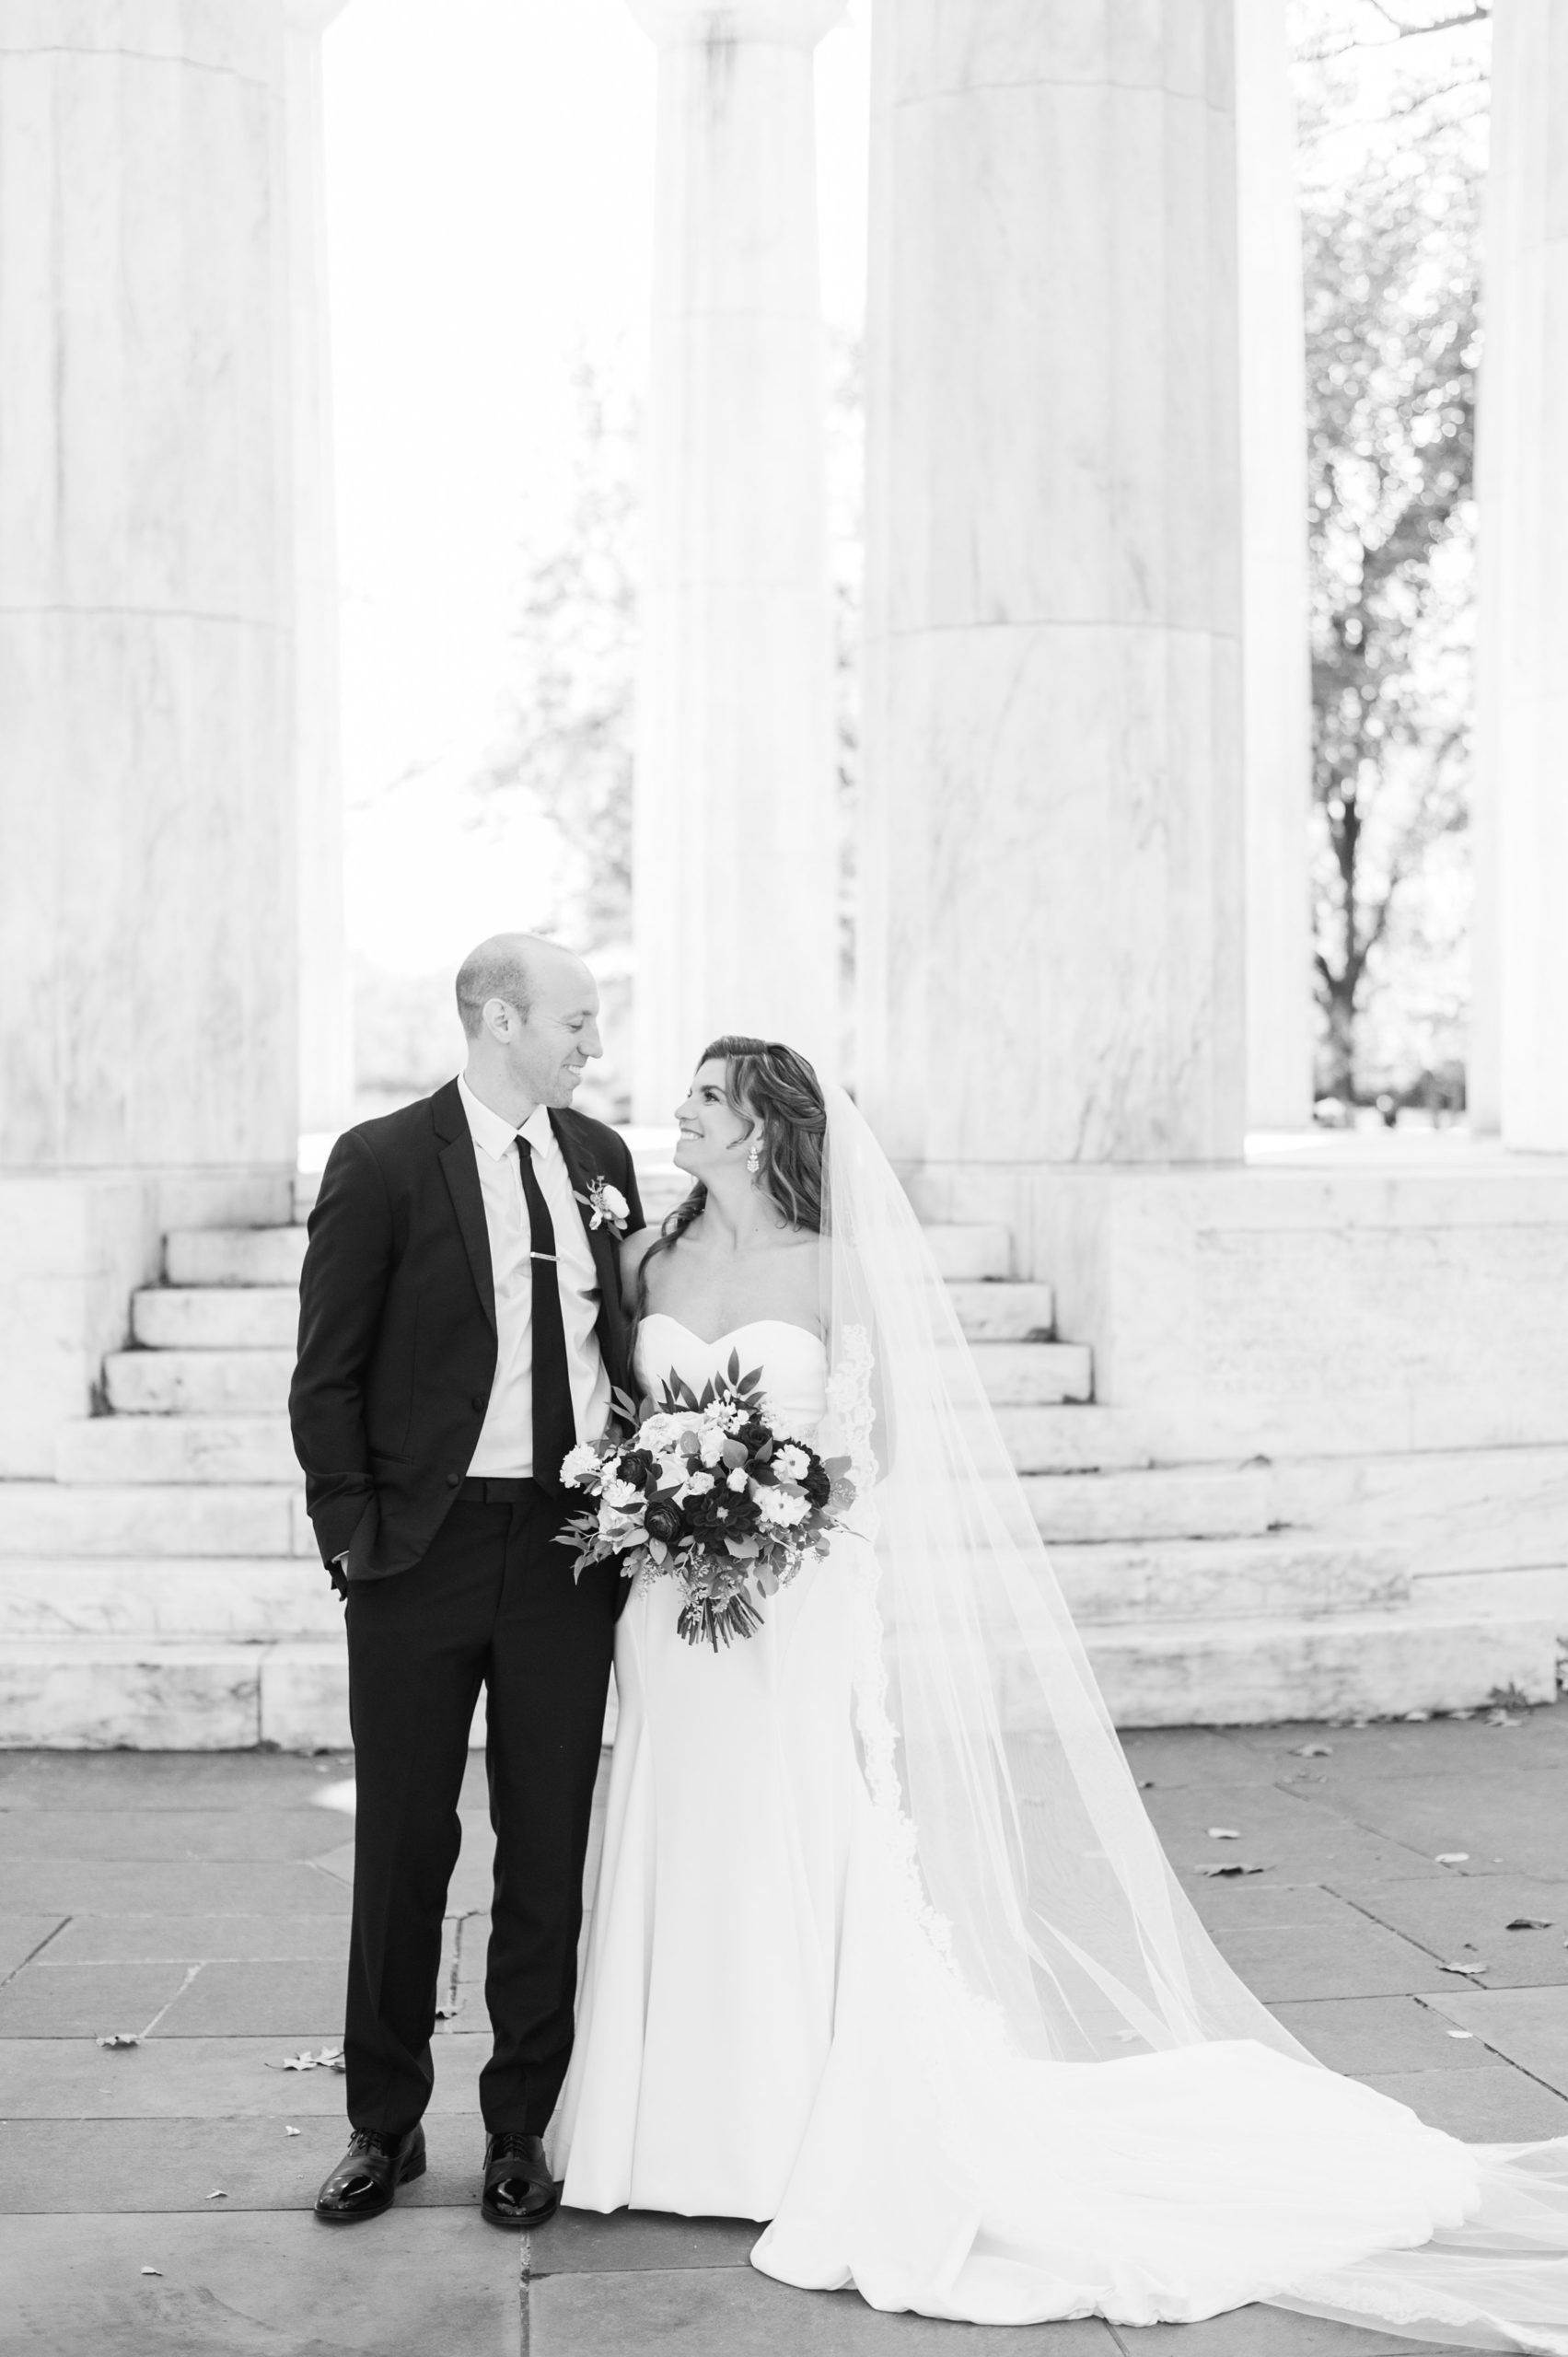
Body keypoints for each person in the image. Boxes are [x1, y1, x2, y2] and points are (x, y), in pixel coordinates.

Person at [551, 1035, 1568, 2352]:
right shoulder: (648, 1260)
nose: (676, 1110)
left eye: (703, 1097)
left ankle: (783, 2121)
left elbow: (881, 1445)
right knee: (672, 1829)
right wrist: (666, 1501)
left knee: (789, 1829)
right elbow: (630, 1416)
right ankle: (656, 2125)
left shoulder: (836, 1267)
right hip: (665, 1608)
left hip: (793, 1598)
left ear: (760, 1127)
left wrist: (766, 1506)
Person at [289, 935, 642, 2229]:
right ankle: (382, 2126)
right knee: (403, 1847)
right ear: (500, 1018)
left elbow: (627, 1351)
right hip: (418, 1556)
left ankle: (518, 2129)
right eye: (576, 1021)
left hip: (564, 1552)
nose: (590, 1045)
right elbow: (325, 1373)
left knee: (546, 1845)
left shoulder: (600, 1164)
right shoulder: (382, 1162)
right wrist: (353, 1541)